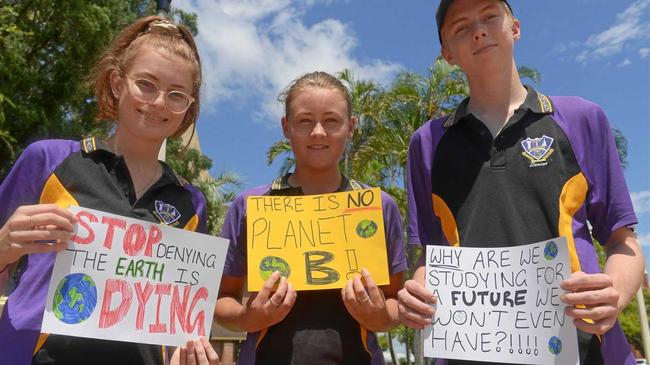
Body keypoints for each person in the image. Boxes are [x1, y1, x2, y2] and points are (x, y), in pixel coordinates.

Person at [397, 1, 644, 364]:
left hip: (585, 347)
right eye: (461, 27)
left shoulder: (581, 117)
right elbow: (430, 256)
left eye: (489, 15)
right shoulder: (427, 143)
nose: (479, 30)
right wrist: (417, 293)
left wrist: (616, 293)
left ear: (515, 27)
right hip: (467, 352)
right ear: (447, 53)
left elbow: (624, 242)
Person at [0, 15, 218, 365]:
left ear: (188, 107)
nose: (159, 101)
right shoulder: (48, 159)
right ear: (118, 83)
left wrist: (187, 352)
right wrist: (4, 247)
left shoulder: (192, 203)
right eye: (146, 84)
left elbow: (182, 327)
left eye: (177, 94)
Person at [215, 71, 407, 365]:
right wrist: (248, 317)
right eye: (305, 121)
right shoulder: (251, 206)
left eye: (331, 120)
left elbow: (394, 304)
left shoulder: (380, 207)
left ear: (351, 127)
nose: (318, 132)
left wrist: (379, 316)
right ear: (286, 127)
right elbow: (219, 300)